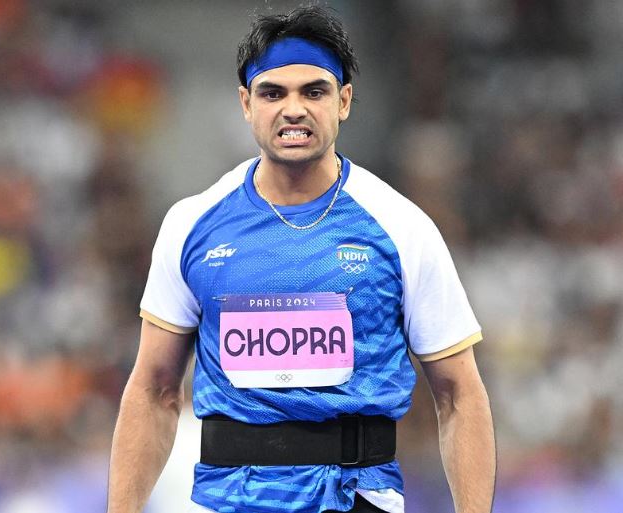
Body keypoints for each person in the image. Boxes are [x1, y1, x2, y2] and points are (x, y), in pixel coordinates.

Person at [107, 6, 495, 513]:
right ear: (246, 104)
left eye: (314, 92)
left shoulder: (403, 228)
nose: (294, 109)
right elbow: (153, 390)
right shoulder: (191, 225)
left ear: (344, 101)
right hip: (230, 501)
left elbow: (460, 394)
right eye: (273, 93)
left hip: (357, 498)